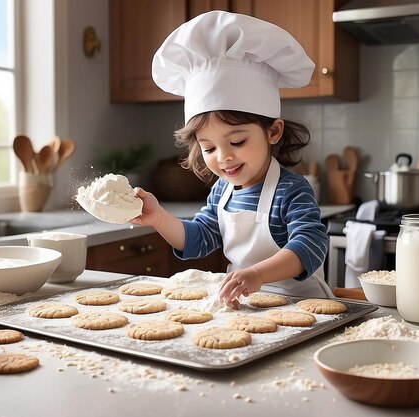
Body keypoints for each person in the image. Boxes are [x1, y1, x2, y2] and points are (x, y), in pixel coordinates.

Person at [130, 10, 332, 308]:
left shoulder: (291, 191)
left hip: (302, 308)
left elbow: (311, 245)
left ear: (273, 132)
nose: (223, 157)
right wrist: (159, 218)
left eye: (237, 141)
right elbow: (200, 238)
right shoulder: (222, 192)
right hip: (247, 306)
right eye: (209, 148)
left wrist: (257, 274)